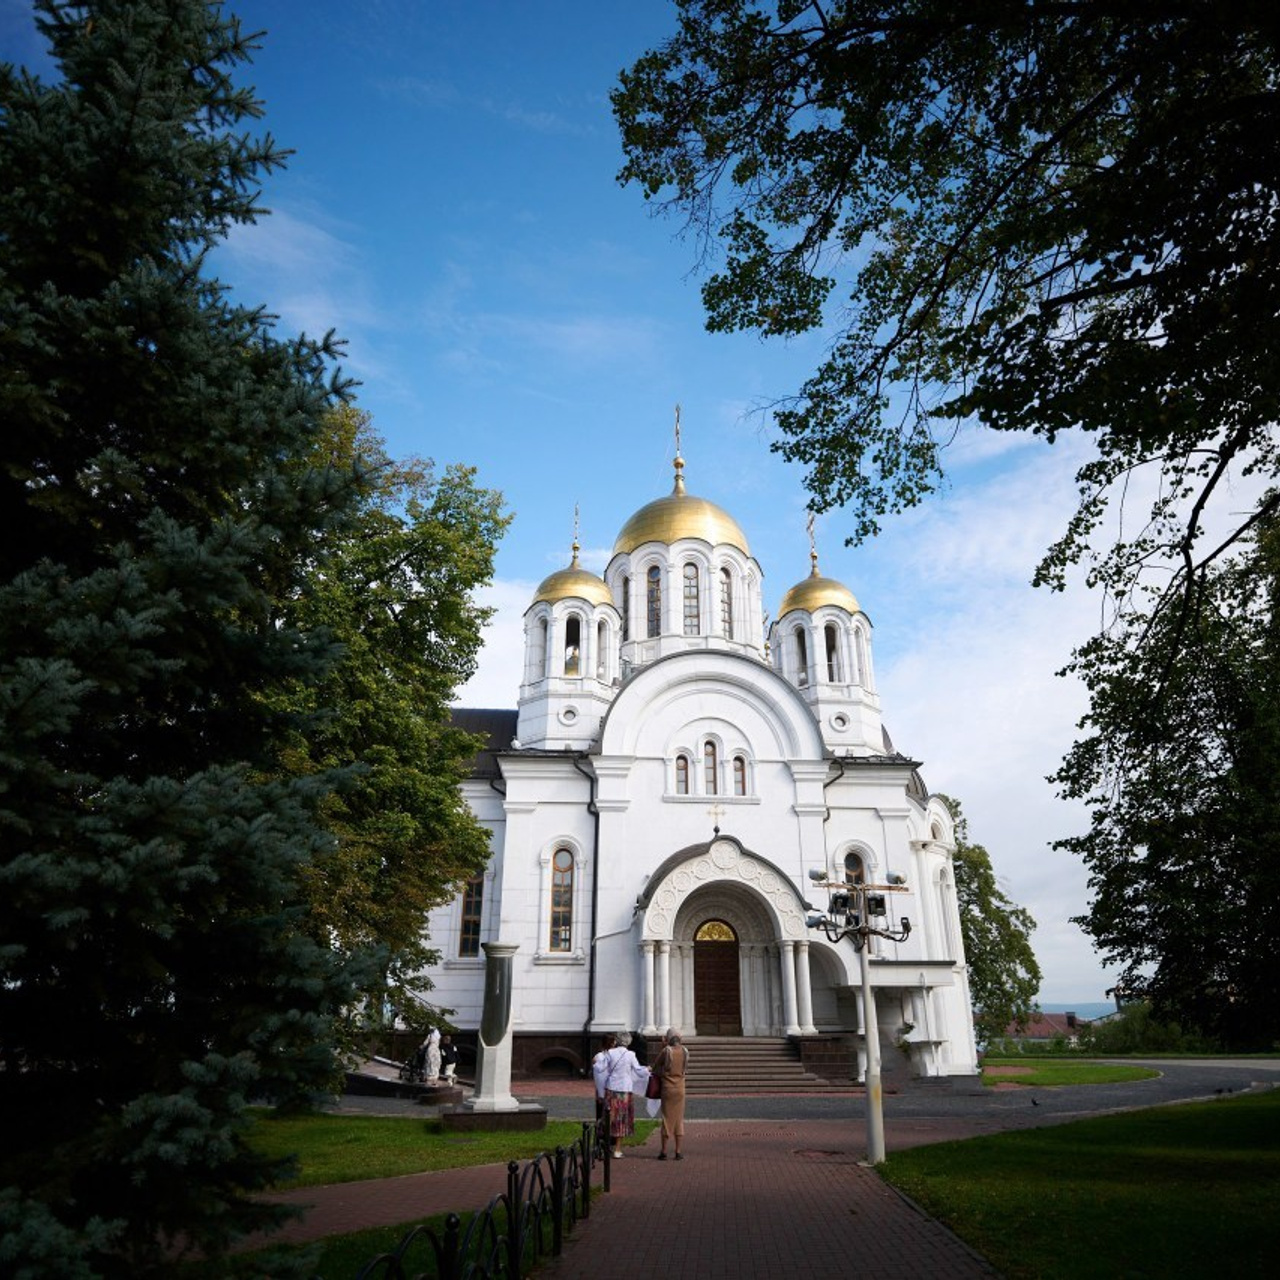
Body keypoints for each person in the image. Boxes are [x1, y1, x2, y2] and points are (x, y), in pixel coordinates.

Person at [592, 1032, 642, 1158]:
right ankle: (617, 1150)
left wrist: (595, 1063)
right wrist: (648, 1070)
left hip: (611, 1089)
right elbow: (639, 1070)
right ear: (628, 1042)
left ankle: (604, 1147)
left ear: (617, 1041)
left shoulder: (610, 1053)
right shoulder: (631, 1055)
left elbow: (599, 1067)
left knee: (608, 1117)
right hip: (624, 1091)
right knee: (622, 1120)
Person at [652, 1028, 690, 1161]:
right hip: (680, 1089)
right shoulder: (685, 1051)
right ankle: (678, 1151)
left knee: (667, 1119)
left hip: (667, 1089)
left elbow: (655, 1066)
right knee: (679, 1119)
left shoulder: (666, 1051)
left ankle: (663, 1151)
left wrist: (664, 1046)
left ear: (667, 1039)